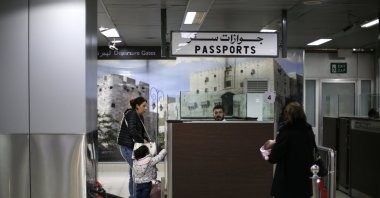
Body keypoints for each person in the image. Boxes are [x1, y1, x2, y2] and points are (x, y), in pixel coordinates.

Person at [260, 102, 315, 198]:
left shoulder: (286, 131)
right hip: (304, 181)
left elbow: (274, 158)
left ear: (287, 115)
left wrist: (267, 151)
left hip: (286, 182)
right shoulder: (308, 130)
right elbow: (312, 151)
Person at [117, 96, 150, 198]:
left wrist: (145, 139)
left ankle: (132, 196)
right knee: (138, 174)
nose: (146, 108)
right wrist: (142, 140)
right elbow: (132, 131)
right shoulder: (131, 114)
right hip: (127, 147)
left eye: (146, 106)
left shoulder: (140, 117)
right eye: (143, 106)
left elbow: (141, 132)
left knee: (133, 174)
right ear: (137, 106)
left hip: (132, 148)